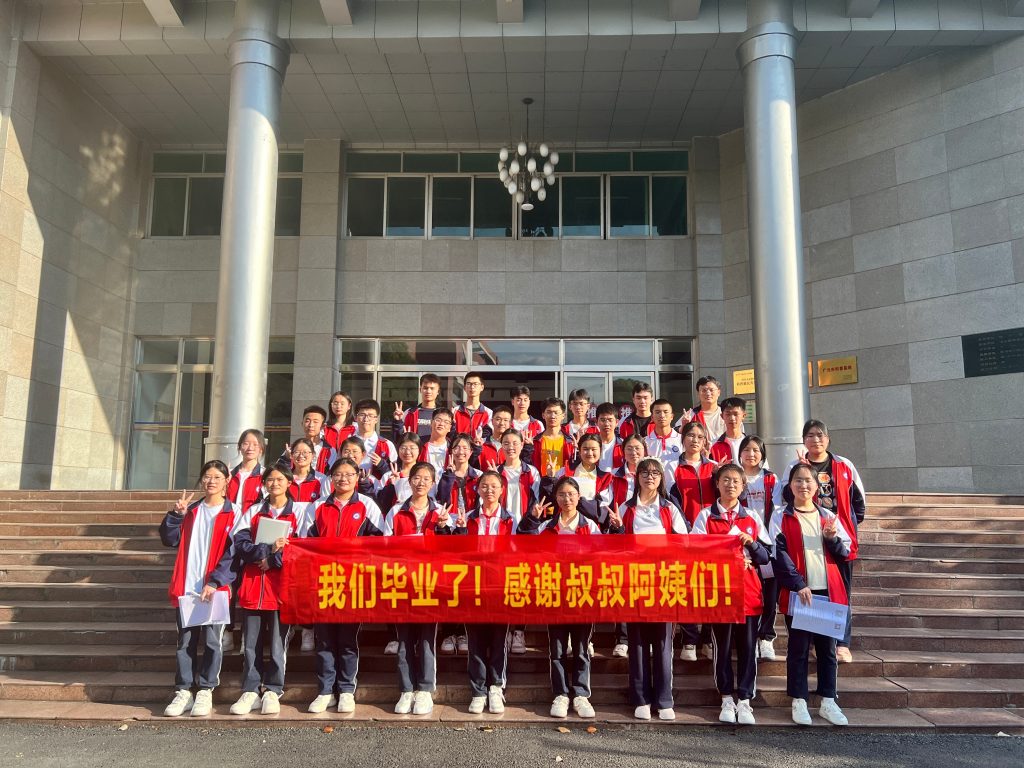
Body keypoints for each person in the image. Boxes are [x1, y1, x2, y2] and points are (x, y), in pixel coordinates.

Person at [518, 477, 615, 719]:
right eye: (561, 495)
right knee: (558, 649)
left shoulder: (590, 527)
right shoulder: (547, 527)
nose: (567, 499)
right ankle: (560, 694)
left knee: (581, 649)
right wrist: (532, 518)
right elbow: (525, 546)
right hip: (556, 596)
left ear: (578, 497)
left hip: (582, 595)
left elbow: (604, 555)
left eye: (571, 494)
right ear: (556, 498)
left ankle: (581, 694)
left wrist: (617, 528)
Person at [774, 419, 866, 663]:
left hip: (837, 539)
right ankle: (817, 641)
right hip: (804, 535)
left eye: (820, 435)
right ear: (804, 440)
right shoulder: (795, 466)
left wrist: (845, 527)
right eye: (810, 435)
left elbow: (859, 502)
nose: (816, 439)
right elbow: (783, 497)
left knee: (841, 592)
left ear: (828, 439)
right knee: (811, 588)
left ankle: (842, 643)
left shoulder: (843, 465)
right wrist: (802, 471)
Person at [771, 463, 852, 727]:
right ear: (790, 485)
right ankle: (799, 701)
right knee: (798, 649)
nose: (803, 485)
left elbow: (844, 554)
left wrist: (832, 539)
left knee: (827, 650)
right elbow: (779, 555)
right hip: (800, 594)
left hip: (827, 592)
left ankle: (828, 701)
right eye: (798, 480)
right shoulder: (780, 516)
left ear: (817, 486)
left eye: (808, 481)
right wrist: (797, 583)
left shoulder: (828, 515)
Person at [691, 463, 770, 726]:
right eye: (725, 480)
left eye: (736, 481)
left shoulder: (752, 517)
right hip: (719, 593)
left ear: (743, 486)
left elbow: (766, 555)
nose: (731, 485)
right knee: (722, 648)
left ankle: (745, 700)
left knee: (748, 648)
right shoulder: (705, 516)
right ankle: (726, 697)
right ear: (717, 483)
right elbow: (696, 551)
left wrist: (752, 543)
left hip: (748, 592)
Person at [305, 458, 385, 714]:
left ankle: (347, 689)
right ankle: (325, 690)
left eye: (349, 474)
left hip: (353, 583)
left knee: (348, 640)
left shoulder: (367, 505)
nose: (343, 479)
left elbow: (380, 541)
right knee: (325, 639)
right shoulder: (316, 507)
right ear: (330, 477)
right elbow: (305, 543)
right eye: (338, 474)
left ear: (357, 477)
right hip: (324, 582)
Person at [159, 460, 239, 718]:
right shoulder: (191, 511)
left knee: (214, 642)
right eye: (207, 476)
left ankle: (205, 690)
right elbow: (169, 540)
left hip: (215, 590)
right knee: (185, 642)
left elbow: (233, 555)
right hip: (188, 587)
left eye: (217, 476)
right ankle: (184, 690)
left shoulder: (235, 513)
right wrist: (175, 516)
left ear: (227, 481)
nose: (211, 481)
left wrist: (216, 581)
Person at [617, 457, 687, 721]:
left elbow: (683, 543)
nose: (650, 477)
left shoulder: (670, 508)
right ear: (637, 477)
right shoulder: (626, 508)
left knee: (662, 642)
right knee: (636, 643)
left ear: (661, 478)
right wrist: (615, 530)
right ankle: (640, 698)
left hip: (665, 583)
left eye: (655, 473)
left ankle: (664, 698)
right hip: (634, 583)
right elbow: (616, 547)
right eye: (644, 472)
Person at [383, 462, 454, 715]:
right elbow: (384, 547)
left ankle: (424, 689)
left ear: (433, 484)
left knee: (426, 639)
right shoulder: (395, 512)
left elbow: (453, 552)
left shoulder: (442, 513)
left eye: (426, 479)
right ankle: (406, 689)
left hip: (430, 584)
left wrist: (445, 528)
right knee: (404, 640)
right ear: (409, 481)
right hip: (402, 584)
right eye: (416, 477)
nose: (421, 482)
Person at [230, 464, 302, 716]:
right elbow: (240, 544)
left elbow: (302, 549)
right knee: (250, 643)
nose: (274, 484)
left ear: (290, 482)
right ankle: (250, 689)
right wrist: (266, 551)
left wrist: (274, 561)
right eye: (270, 480)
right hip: (253, 586)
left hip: (281, 588)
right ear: (263, 484)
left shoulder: (301, 513)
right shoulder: (251, 512)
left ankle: (273, 689)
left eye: (280, 479)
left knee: (277, 642)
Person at [451, 470, 515, 714]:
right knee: (476, 641)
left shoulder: (511, 520)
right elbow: (457, 553)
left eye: (494, 487)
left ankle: (496, 687)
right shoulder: (466, 518)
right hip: (473, 587)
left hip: (500, 587)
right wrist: (457, 530)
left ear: (501, 490)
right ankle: (478, 690)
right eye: (484, 486)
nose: (489, 491)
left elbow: (521, 550)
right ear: (477, 490)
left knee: (498, 641)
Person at [487, 427, 541, 655]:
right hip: (501, 533)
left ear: (522, 445)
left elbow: (539, 502)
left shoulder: (532, 472)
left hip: (525, 534)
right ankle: (503, 629)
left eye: (514, 443)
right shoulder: (493, 472)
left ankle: (518, 630)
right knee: (500, 581)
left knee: (520, 582)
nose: (510, 447)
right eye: (506, 443)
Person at [670, 421, 717, 661]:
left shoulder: (715, 469)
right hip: (684, 536)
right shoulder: (671, 468)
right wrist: (687, 529)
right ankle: (689, 639)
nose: (695, 440)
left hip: (711, 539)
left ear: (705, 441)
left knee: (709, 589)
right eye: (690, 435)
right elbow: (671, 503)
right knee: (686, 588)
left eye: (700, 436)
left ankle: (708, 638)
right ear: (683, 439)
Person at [436, 433, 482, 656]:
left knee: (467, 584)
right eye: (457, 447)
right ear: (451, 451)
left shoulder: (480, 476)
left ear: (471, 452)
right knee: (447, 582)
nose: (461, 451)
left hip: (470, 531)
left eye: (465, 447)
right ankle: (448, 631)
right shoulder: (441, 475)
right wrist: (448, 476)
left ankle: (463, 631)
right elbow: (439, 499)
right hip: (446, 530)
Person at [738, 435, 781, 660]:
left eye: (756, 450)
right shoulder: (736, 478)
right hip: (742, 543)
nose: (751, 454)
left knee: (770, 590)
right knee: (749, 591)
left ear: (762, 454)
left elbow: (778, 510)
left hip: (766, 542)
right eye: (746, 450)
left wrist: (770, 542)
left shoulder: (771, 479)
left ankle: (766, 638)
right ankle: (750, 637)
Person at [645, 399, 684, 490]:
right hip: (653, 492)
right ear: (652, 417)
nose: (662, 415)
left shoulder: (682, 440)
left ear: (672, 416)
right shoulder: (645, 442)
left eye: (665, 412)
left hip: (678, 491)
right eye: (657, 412)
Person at [351, 398, 398, 474]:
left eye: (370, 415)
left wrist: (381, 464)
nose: (366, 419)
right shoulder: (347, 442)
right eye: (362, 415)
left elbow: (394, 471)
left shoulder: (387, 444)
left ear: (376, 419)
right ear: (356, 418)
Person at [393, 373, 443, 440]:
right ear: (420, 389)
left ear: (438, 391)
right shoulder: (409, 413)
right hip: (414, 450)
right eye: (425, 388)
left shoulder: (443, 415)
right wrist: (398, 421)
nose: (428, 391)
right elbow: (398, 439)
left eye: (432, 388)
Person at [678, 376, 725, 442]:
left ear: (718, 392)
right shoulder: (690, 415)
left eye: (711, 390)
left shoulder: (726, 413)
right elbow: (676, 437)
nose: (708, 393)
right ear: (698, 394)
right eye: (704, 390)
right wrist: (683, 426)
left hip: (721, 452)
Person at [536, 397, 574, 476]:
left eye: (556, 412)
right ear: (543, 415)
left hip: (563, 484)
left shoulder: (570, 442)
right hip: (542, 484)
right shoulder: (535, 441)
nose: (552, 416)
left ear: (563, 415)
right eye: (549, 412)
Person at [453, 371, 493, 442]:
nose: (472, 387)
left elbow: (488, 437)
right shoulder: (455, 411)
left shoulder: (489, 413)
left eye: (475, 384)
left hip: (480, 451)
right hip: (460, 451)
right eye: (469, 384)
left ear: (482, 387)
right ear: (464, 387)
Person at [510, 385, 543, 464]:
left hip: (532, 465)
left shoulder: (538, 424)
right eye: (519, 400)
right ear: (512, 402)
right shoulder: (506, 423)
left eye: (525, 400)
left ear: (529, 402)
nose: (522, 403)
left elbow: (541, 448)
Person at [418, 407, 454, 482]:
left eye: (446, 422)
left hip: (445, 487)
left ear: (450, 428)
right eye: (438, 420)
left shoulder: (453, 448)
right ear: (431, 423)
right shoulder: (419, 445)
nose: (441, 424)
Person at [709, 397, 747, 464]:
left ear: (743, 416)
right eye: (728, 414)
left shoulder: (752, 443)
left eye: (736, 414)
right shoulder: (713, 444)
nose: (732, 418)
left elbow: (763, 470)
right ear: (722, 416)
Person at [474, 404, 510, 470]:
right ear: (492, 421)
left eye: (505, 420)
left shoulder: (513, 446)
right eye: (498, 419)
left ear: (510, 423)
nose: (502, 423)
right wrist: (476, 448)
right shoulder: (482, 443)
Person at [594, 402, 624, 471]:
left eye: (610, 420)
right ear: (596, 422)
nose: (607, 424)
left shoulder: (622, 444)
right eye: (603, 420)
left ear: (616, 422)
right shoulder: (591, 444)